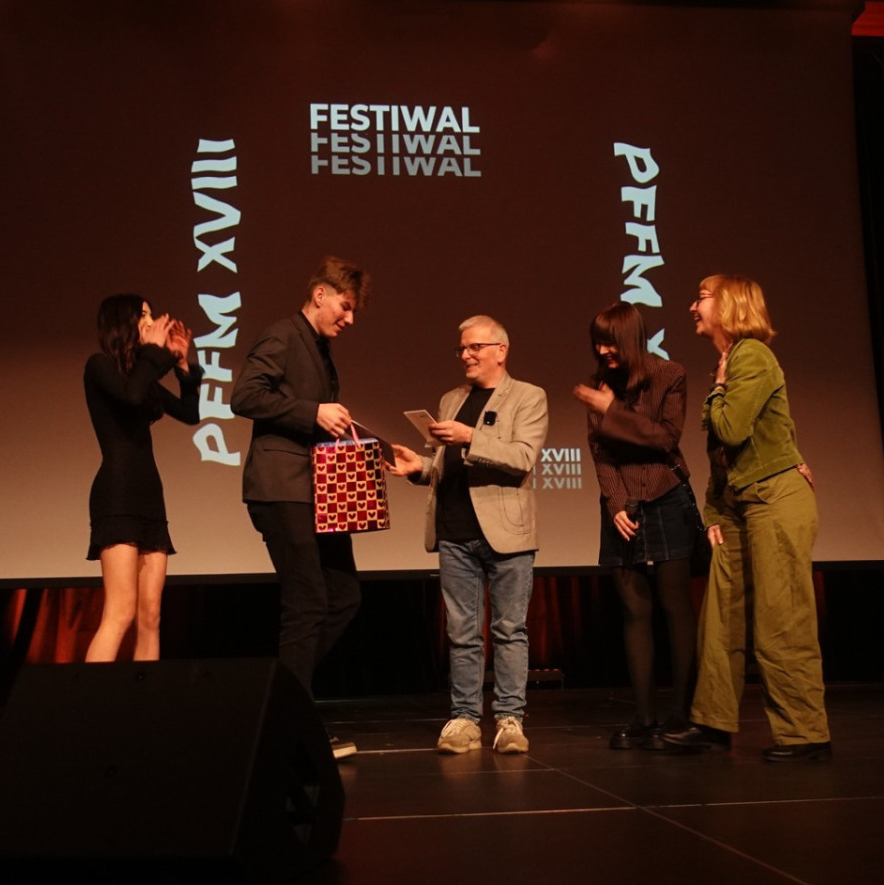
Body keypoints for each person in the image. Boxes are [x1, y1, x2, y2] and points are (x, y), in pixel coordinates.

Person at [661, 276, 830, 761]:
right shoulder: (730, 359)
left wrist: (718, 388)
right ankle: (712, 723)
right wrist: (714, 510)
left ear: (730, 304)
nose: (692, 306)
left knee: (782, 617)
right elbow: (722, 455)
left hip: (775, 497)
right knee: (722, 618)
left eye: (702, 297)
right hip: (737, 504)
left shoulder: (751, 355)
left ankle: (805, 734)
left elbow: (732, 429)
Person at [390, 316, 548, 755]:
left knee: (509, 629)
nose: (466, 355)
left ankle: (510, 719)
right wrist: (420, 468)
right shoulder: (452, 398)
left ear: (501, 350)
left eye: (475, 347)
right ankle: (464, 718)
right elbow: (447, 467)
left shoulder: (529, 396)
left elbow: (523, 457)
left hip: (507, 533)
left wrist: (470, 436)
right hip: (455, 530)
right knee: (462, 633)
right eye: (461, 348)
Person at [233, 256, 367, 760]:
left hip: (319, 492)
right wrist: (313, 412)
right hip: (281, 487)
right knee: (308, 601)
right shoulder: (283, 335)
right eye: (345, 307)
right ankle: (292, 726)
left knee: (344, 594)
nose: (349, 319)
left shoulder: (320, 349)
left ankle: (277, 697)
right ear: (319, 295)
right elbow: (244, 396)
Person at [571, 303, 699, 750]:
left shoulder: (670, 374)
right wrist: (616, 504)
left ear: (630, 339)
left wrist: (614, 411)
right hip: (621, 507)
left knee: (675, 606)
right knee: (634, 611)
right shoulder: (597, 385)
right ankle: (643, 717)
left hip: (666, 497)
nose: (603, 351)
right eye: (597, 343)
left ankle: (681, 714)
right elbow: (600, 452)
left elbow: (664, 438)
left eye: (610, 342)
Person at [83, 295, 201, 663]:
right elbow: (132, 397)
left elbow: (189, 413)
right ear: (125, 321)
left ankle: (143, 695)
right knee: (120, 612)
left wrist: (182, 365)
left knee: (151, 617)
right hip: (117, 493)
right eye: (145, 315)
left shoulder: (142, 374)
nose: (152, 322)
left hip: (149, 494)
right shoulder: (100, 366)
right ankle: (90, 696)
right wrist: (154, 354)